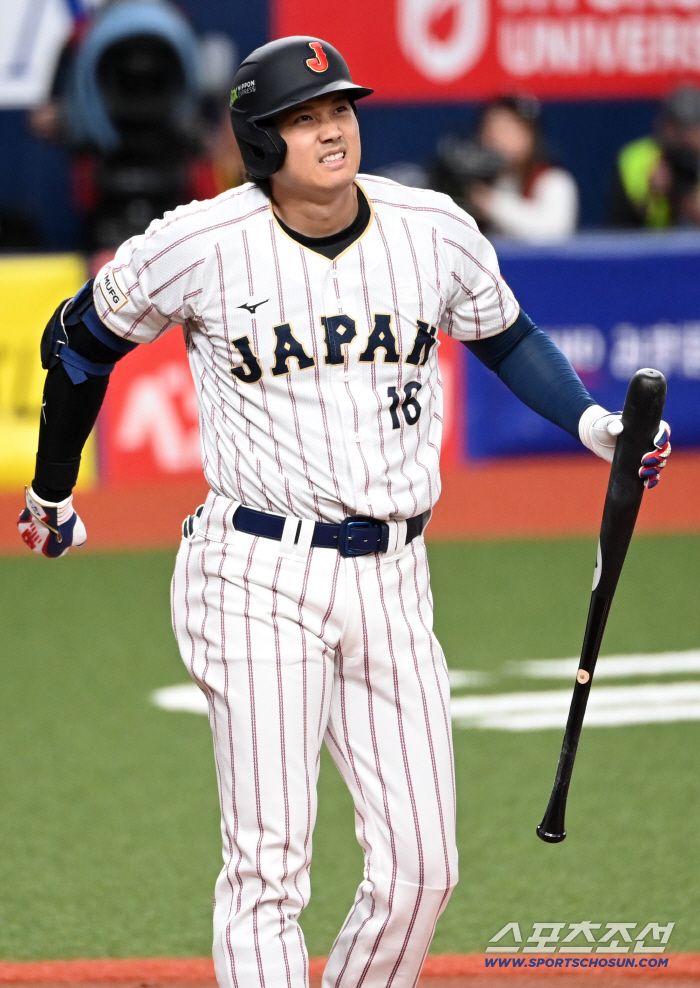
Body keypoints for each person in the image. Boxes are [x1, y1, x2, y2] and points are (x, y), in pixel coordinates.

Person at [16, 37, 671, 988]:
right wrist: (51, 488)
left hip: (395, 578)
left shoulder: (430, 226)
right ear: (259, 139)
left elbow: (507, 335)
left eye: (340, 111)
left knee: (423, 871)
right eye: (304, 118)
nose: (332, 131)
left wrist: (593, 425)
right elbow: (76, 342)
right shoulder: (200, 242)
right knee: (269, 867)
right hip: (255, 573)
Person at [434, 96, 578, 243]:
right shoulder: (474, 179)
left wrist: (490, 203)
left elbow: (554, 234)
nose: (496, 138)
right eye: (490, 129)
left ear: (531, 134)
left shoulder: (554, 180)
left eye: (507, 129)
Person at [610, 85, 700, 229]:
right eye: (678, 128)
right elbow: (617, 231)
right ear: (663, 125)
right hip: (647, 241)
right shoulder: (636, 159)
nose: (685, 138)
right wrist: (650, 196)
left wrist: (692, 207)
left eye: (693, 129)